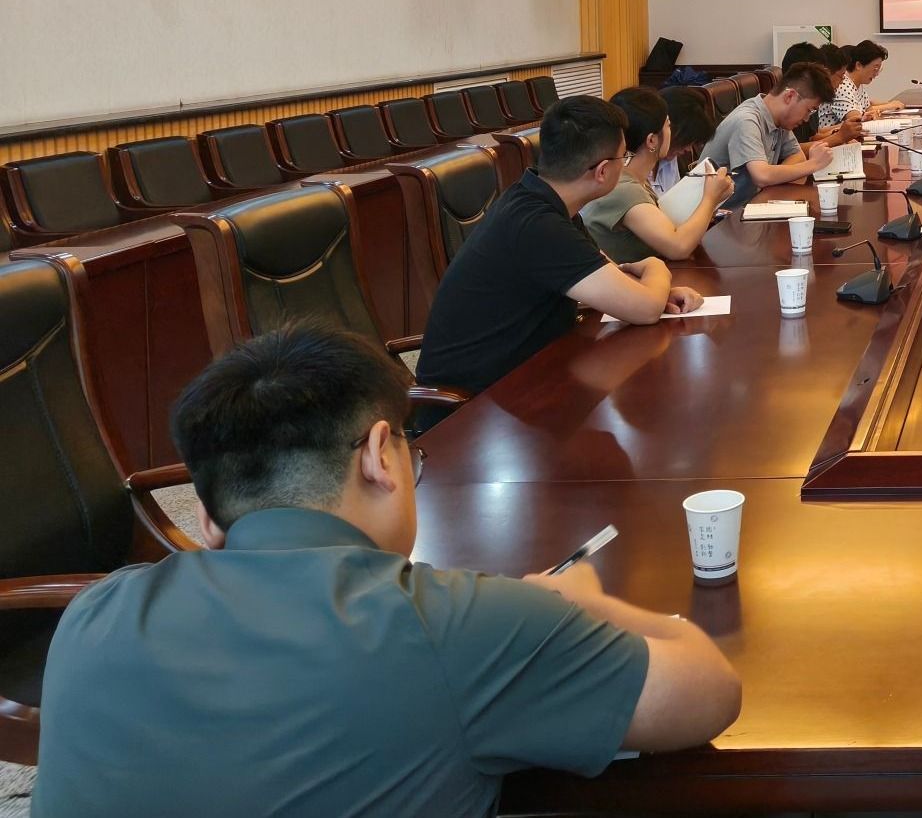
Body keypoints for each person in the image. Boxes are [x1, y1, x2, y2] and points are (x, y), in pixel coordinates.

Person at [32, 323, 742, 818]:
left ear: (209, 519)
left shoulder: (92, 615)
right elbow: (708, 690)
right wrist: (574, 604)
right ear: (379, 456)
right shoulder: (455, 625)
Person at [416, 97, 704, 395]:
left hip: (525, 376)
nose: (626, 164)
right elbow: (645, 310)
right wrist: (656, 269)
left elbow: (607, 276)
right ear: (603, 171)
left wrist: (656, 291)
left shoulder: (540, 198)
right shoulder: (538, 224)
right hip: (475, 404)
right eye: (624, 156)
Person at [582, 87, 734, 264]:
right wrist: (709, 198)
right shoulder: (624, 189)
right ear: (652, 140)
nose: (671, 131)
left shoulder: (633, 179)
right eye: (668, 125)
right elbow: (678, 247)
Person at [701, 61, 837, 204]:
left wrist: (773, 176)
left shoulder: (779, 120)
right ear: (789, 96)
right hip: (717, 214)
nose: (806, 118)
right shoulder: (746, 120)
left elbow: (798, 157)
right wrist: (813, 164)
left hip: (751, 204)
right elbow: (761, 176)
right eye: (809, 110)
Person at [650, 84, 718, 195]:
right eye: (685, 141)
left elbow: (674, 200)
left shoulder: (670, 159)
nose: (688, 149)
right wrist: (710, 197)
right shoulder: (635, 168)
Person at [833, 40, 903, 120]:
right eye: (875, 68)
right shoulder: (842, 86)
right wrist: (889, 106)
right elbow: (856, 119)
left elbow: (868, 108)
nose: (876, 74)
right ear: (858, 65)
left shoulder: (858, 86)